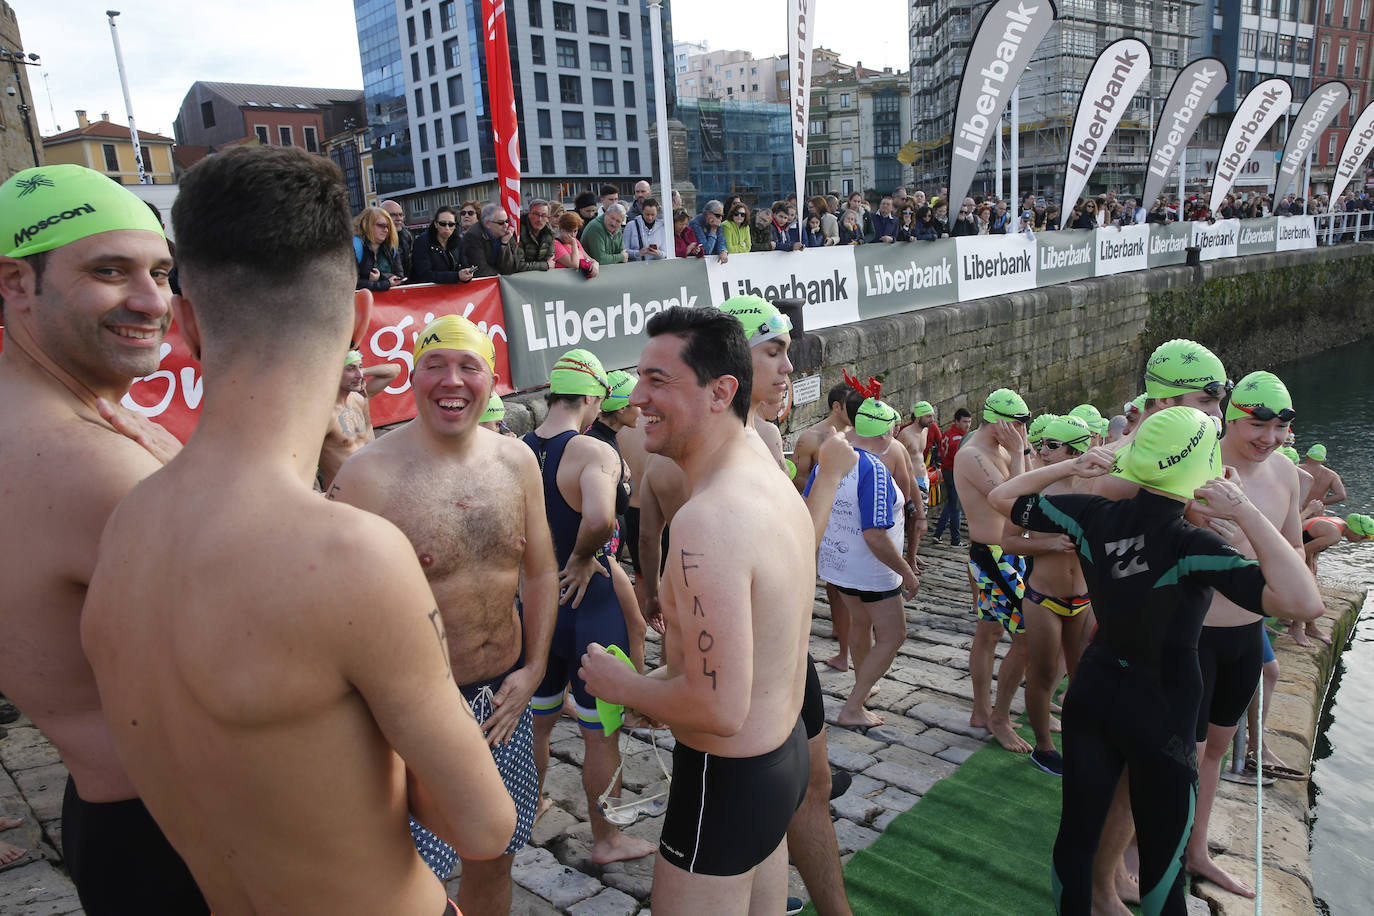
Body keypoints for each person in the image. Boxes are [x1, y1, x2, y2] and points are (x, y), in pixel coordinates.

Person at [80, 146, 515, 915]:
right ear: (358, 315)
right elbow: (483, 824)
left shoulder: (125, 525)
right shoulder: (349, 555)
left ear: (186, 324)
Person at [987, 406, 1323, 916]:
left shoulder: (1089, 513)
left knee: (1076, 835)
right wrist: (1246, 512)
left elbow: (1002, 498)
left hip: (1094, 692)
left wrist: (1071, 468)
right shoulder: (1194, 545)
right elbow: (1303, 602)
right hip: (1163, 708)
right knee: (1164, 865)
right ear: (1206, 469)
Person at [0, 163, 208, 913]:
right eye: (109, 271)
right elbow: (295, 632)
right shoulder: (91, 465)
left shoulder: (53, 426)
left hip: (116, 819)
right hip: (186, 834)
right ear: (17, 284)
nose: (154, 301)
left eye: (160, 270)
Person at [579, 306, 815, 916]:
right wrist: (663, 686)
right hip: (779, 759)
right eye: (639, 379)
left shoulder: (707, 520)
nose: (636, 397)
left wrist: (623, 684)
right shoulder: (765, 467)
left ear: (721, 392)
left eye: (659, 381)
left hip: (726, 780)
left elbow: (717, 708)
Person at [328, 315, 555, 914]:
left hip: (503, 701)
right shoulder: (368, 476)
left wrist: (533, 670)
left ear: (491, 380)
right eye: (435, 364)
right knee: (412, 880)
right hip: (411, 719)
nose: (450, 380)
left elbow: (537, 571)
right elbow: (338, 614)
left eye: (468, 366)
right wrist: (402, 703)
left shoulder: (517, 463)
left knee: (498, 852)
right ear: (414, 376)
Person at [523, 350, 657, 865]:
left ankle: (530, 805)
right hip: (591, 603)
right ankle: (607, 840)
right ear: (595, 396)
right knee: (601, 733)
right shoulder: (590, 451)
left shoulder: (522, 448)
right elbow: (600, 517)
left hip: (538, 605)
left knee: (537, 719)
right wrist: (583, 557)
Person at [1185, 371, 1308, 897]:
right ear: (1232, 415)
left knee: (1215, 749)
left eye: (1280, 427)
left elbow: (1296, 555)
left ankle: (1197, 850)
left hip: (1245, 636)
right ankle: (1139, 846)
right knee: (1173, 751)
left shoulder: (1285, 475)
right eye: (1259, 424)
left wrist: (1250, 544)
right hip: (1191, 633)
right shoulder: (1197, 463)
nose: (1270, 437)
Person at [955, 389, 1056, 754]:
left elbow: (1031, 485)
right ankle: (995, 716)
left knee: (990, 631)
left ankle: (982, 712)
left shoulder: (999, 450)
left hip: (1010, 553)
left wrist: (1020, 452)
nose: (1021, 432)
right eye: (1017, 425)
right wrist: (1017, 454)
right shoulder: (971, 455)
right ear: (997, 422)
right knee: (1024, 639)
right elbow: (1015, 501)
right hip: (994, 557)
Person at [813, 395, 919, 728]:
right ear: (888, 433)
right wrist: (906, 572)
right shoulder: (874, 468)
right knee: (894, 634)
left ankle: (865, 682)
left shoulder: (828, 458)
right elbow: (875, 535)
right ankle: (853, 707)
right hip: (871, 571)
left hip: (837, 565)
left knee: (860, 622)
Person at [1016, 415, 1094, 777]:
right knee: (1045, 674)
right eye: (1041, 444)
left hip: (1084, 598)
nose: (1041, 451)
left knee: (1083, 677)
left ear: (1075, 451)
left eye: (1051, 445)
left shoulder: (1098, 489)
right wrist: (1050, 542)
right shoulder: (1035, 490)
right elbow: (1008, 540)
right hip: (1042, 597)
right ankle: (1044, 748)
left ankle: (1083, 743)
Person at [318, 349, 401, 492]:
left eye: (360, 367)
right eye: (351, 369)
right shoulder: (324, 414)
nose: (360, 375)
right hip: (342, 496)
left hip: (372, 487)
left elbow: (395, 369)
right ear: (334, 371)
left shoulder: (359, 399)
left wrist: (361, 370)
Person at [930, 407, 972, 545]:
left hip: (946, 471)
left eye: (969, 422)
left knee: (951, 503)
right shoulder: (960, 440)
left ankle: (938, 533)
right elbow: (964, 460)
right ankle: (955, 540)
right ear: (957, 421)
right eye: (965, 421)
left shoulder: (948, 433)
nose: (968, 425)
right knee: (956, 507)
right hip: (955, 472)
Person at [411, 205, 476, 285]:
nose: (447, 228)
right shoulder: (422, 242)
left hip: (453, 292)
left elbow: (464, 266)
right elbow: (424, 274)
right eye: (442, 224)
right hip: (427, 293)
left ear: (455, 226)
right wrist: (456, 276)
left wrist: (467, 275)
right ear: (435, 224)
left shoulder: (458, 241)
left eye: (451, 224)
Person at [463, 203, 525, 277]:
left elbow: (514, 266)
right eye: (501, 223)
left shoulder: (507, 233)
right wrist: (501, 276)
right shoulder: (473, 236)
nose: (506, 225)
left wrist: (504, 244)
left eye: (507, 221)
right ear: (487, 223)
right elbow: (480, 269)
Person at [354, 205, 405, 291]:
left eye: (388, 226)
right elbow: (352, 283)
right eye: (381, 225)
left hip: (388, 301)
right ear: (367, 225)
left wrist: (381, 278)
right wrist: (385, 283)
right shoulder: (354, 247)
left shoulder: (391, 248)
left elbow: (400, 278)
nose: (386, 230)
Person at [516, 198, 558, 272]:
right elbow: (519, 265)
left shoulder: (549, 233)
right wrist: (545, 265)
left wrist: (546, 265)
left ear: (548, 218)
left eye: (544, 215)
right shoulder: (519, 232)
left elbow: (551, 261)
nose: (539, 219)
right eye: (536, 214)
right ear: (529, 214)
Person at [553, 212, 599, 277]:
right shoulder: (556, 244)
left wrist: (595, 264)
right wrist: (574, 244)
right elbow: (574, 264)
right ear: (561, 230)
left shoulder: (576, 241)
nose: (572, 235)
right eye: (569, 231)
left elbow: (589, 259)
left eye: (575, 231)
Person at [380, 198, 415, 277]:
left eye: (401, 215)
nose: (399, 219)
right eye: (393, 215)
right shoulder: (374, 239)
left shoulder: (407, 236)